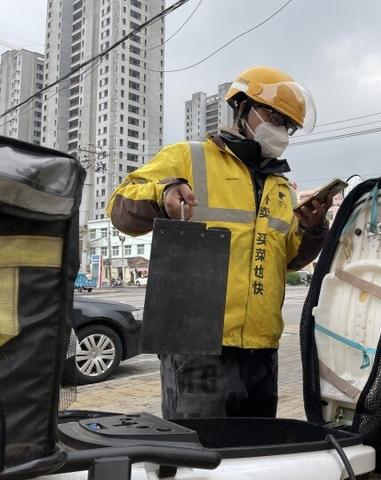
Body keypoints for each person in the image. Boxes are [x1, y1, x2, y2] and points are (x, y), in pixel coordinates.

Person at [108, 66, 332, 420]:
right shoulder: (188, 157)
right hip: (197, 346)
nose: (281, 131)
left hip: (262, 349)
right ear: (243, 108)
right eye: (275, 116)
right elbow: (120, 208)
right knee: (200, 460)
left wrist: (313, 228)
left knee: (253, 457)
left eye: (288, 126)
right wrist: (162, 195)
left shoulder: (282, 187)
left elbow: (287, 260)